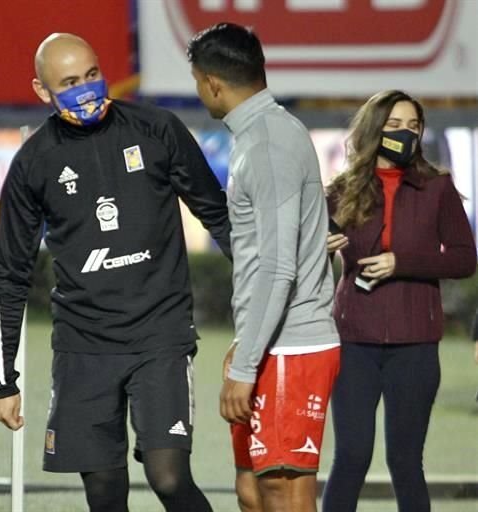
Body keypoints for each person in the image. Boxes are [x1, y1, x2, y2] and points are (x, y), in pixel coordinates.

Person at [0, 32, 232, 512]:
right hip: (83, 345)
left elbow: (219, 217)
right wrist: (3, 382)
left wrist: (266, 296)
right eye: (71, 82)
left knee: (168, 477)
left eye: (93, 75)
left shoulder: (157, 129)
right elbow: (8, 277)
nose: (87, 90)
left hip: (160, 335)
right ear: (43, 91)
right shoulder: (33, 163)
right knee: (103, 493)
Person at [188, 23, 340, 512]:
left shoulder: (269, 143)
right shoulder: (258, 134)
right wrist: (244, 343)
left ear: (212, 82)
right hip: (269, 340)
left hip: (293, 346)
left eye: (197, 82)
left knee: (282, 490)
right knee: (252, 491)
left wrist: (248, 364)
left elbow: (279, 268)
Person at [322, 90, 477, 512]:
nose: (404, 135)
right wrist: (319, 246)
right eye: (393, 127)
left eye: (412, 127)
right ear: (375, 131)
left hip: (416, 342)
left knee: (406, 462)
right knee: (351, 458)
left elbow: (465, 259)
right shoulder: (341, 189)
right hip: (355, 340)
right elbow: (305, 256)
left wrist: (401, 262)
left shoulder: (437, 187)